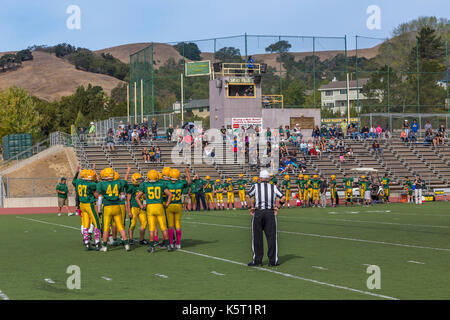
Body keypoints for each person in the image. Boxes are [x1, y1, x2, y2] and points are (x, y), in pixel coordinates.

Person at [246, 169, 286, 267]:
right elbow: (283, 197)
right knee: (272, 238)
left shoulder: (256, 186)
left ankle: (257, 261)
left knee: (257, 237)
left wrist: (250, 208)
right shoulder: (273, 187)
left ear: (260, 178)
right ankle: (272, 261)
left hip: (258, 213)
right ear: (268, 178)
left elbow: (247, 196)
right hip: (270, 214)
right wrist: (278, 207)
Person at [135, 170, 172, 253]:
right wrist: (167, 204)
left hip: (150, 207)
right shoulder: (161, 184)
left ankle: (152, 247)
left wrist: (141, 206)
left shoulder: (145, 184)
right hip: (159, 206)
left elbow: (137, 197)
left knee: (151, 228)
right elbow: (170, 195)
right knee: (163, 227)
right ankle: (168, 245)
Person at [96, 168, 131, 252]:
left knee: (106, 228)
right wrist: (117, 199)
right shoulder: (119, 182)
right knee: (120, 226)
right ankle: (126, 244)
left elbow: (100, 198)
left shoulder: (101, 184)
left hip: (107, 207)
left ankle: (104, 246)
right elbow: (123, 197)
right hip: (117, 207)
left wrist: (99, 209)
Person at [72, 168, 101, 250]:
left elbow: (74, 181)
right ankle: (97, 242)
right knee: (97, 223)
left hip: (82, 205)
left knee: (85, 224)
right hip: (89, 205)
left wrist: (77, 172)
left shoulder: (78, 182)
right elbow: (96, 192)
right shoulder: (91, 184)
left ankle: (87, 242)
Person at [166, 168, 190, 250]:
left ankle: (171, 243)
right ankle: (178, 243)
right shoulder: (181, 183)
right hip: (178, 205)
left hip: (170, 205)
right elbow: (189, 182)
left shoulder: (167, 183)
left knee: (170, 226)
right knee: (178, 225)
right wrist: (187, 172)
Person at [126, 172, 148, 246]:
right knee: (133, 224)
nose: (140, 180)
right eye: (138, 179)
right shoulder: (131, 187)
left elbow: (144, 196)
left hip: (141, 208)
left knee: (144, 223)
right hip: (134, 207)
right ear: (134, 180)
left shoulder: (142, 186)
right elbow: (128, 200)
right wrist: (129, 211)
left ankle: (142, 239)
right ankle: (131, 239)